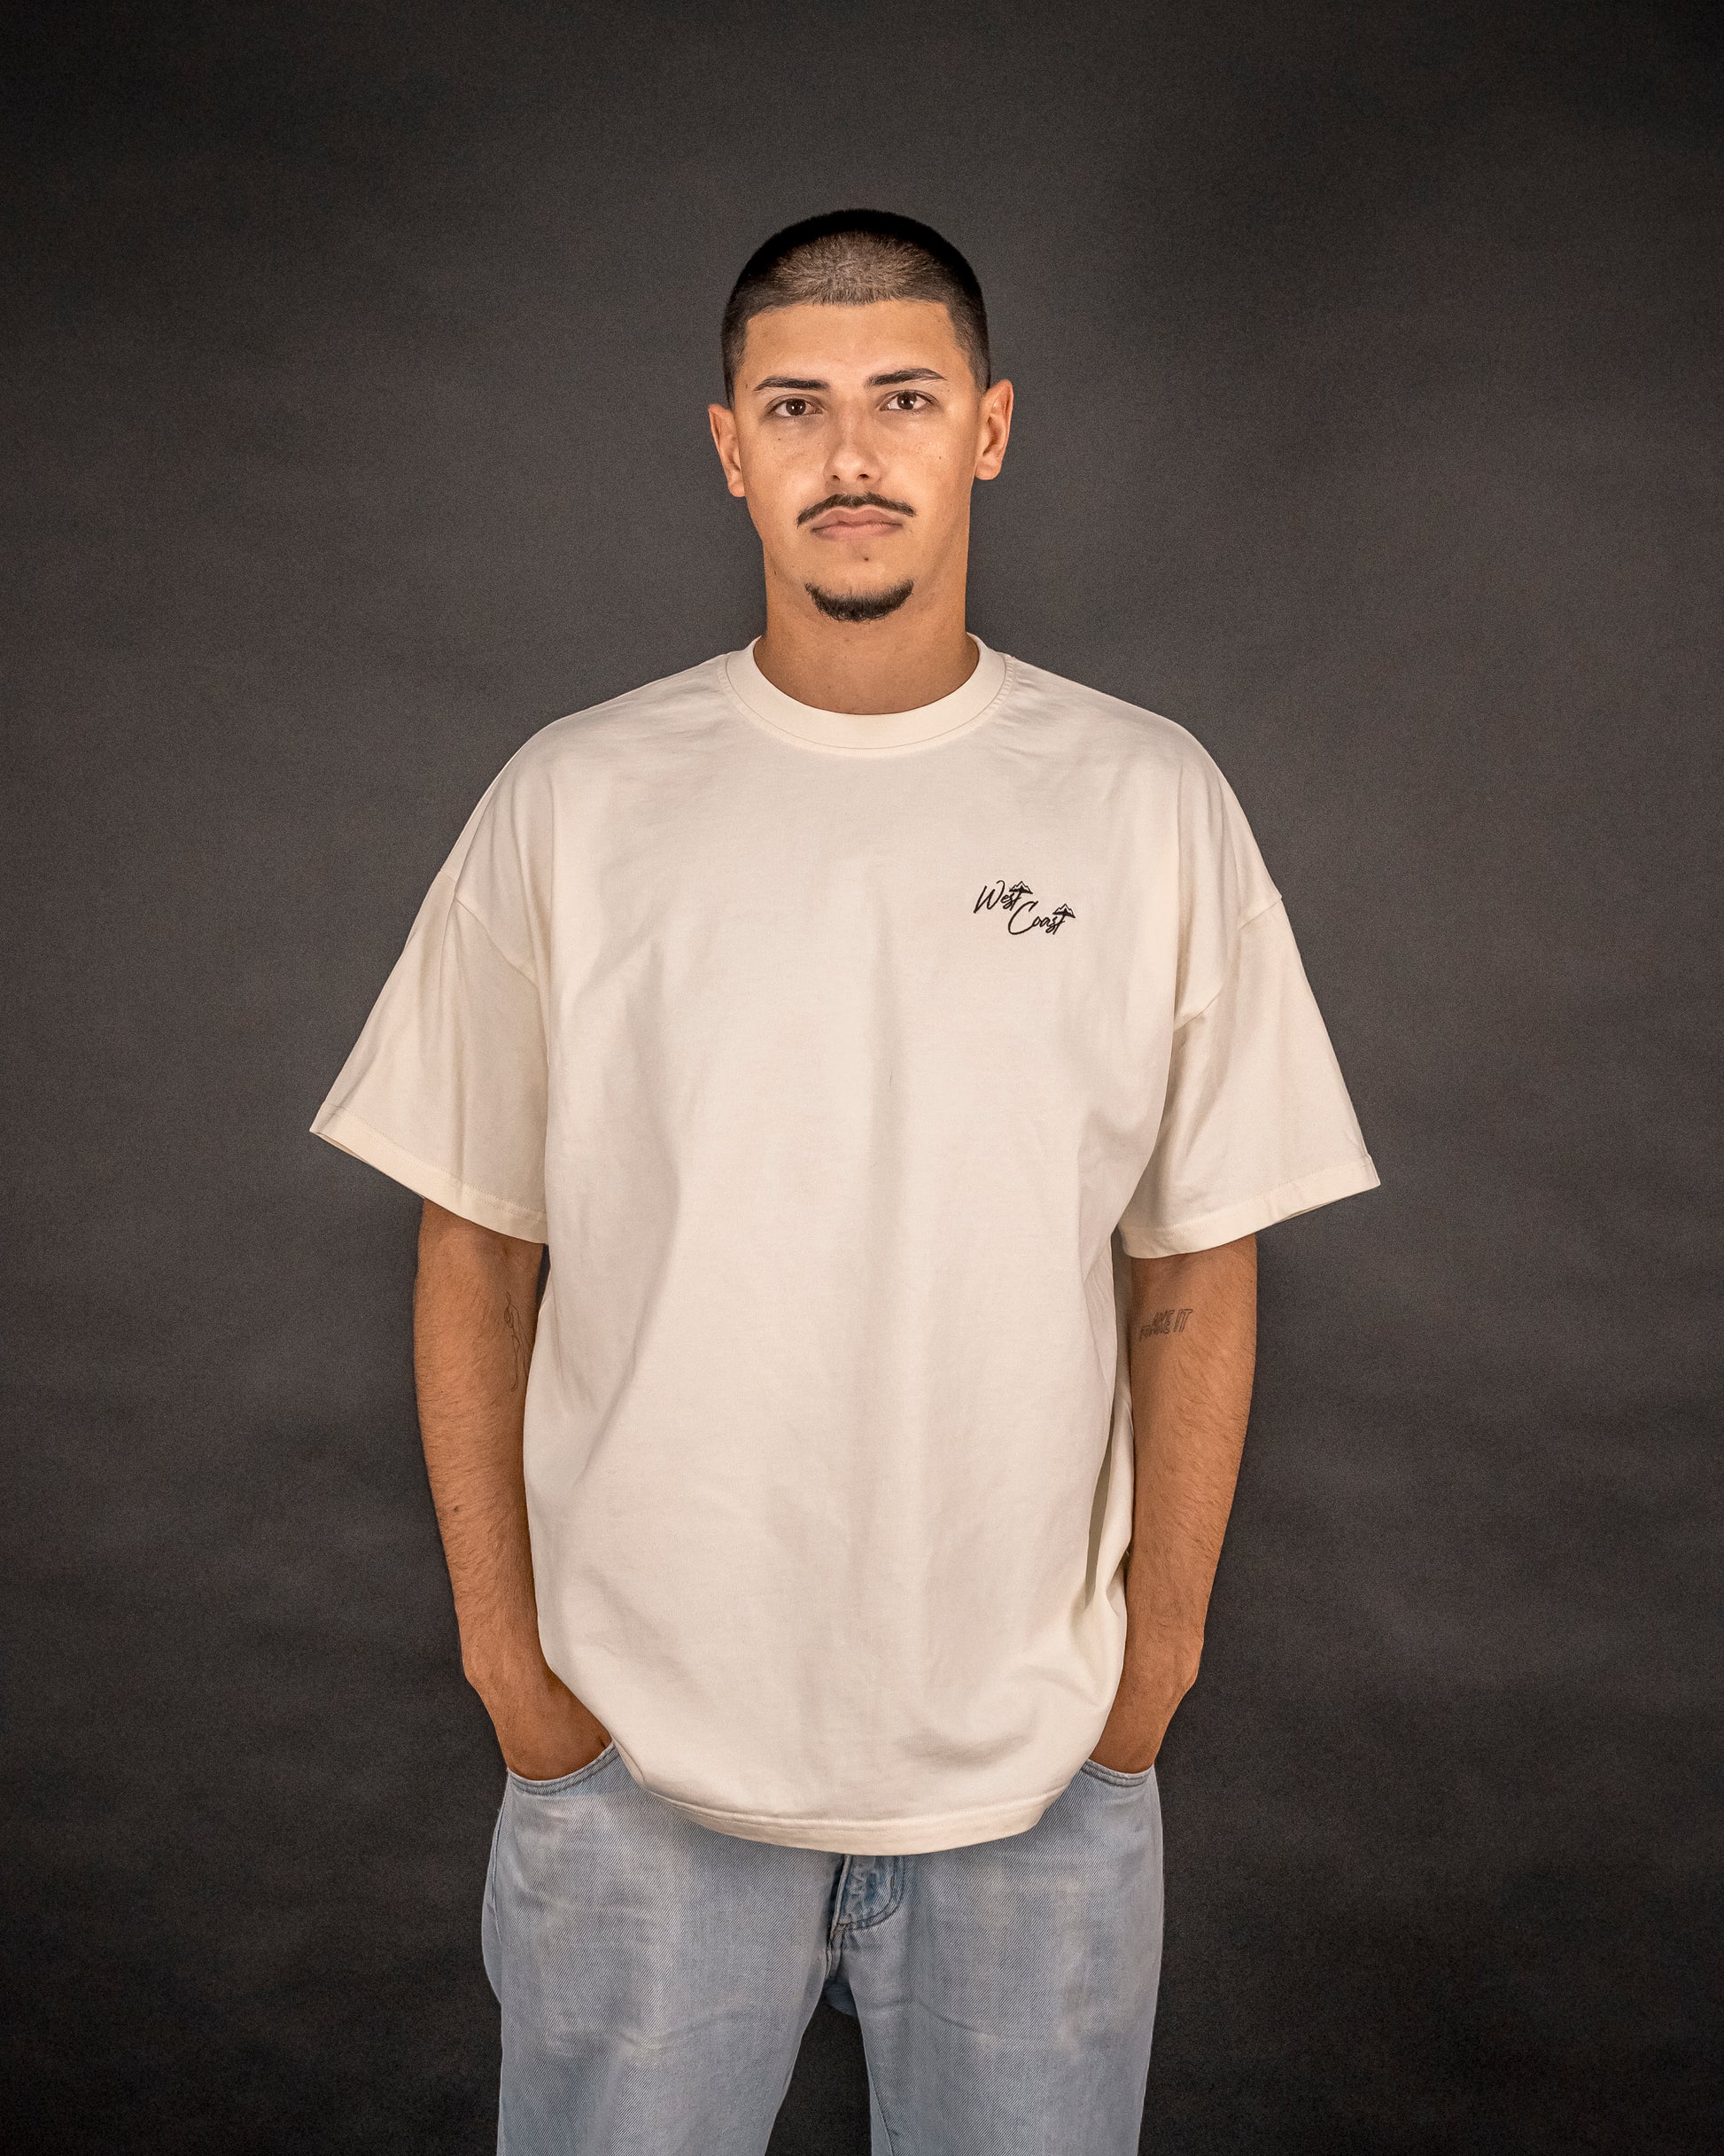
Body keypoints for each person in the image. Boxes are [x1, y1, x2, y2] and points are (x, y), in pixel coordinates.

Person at [310, 208, 1378, 2155]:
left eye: (904, 398)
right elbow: (475, 1239)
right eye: (796, 406)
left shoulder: (1145, 799)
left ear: (989, 428)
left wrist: (1149, 1674)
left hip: (1035, 1777)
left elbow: (1192, 1263)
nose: (852, 453)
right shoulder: (575, 798)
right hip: (637, 1766)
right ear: (729, 445)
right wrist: (510, 1670)